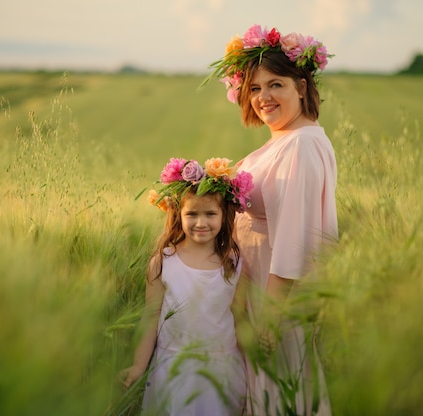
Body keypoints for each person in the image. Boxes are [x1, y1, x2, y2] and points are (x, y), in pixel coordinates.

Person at [202, 24, 338, 416]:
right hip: (256, 292)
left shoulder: (302, 144)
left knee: (279, 396)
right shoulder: (285, 138)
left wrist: (271, 319)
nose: (263, 97)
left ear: (301, 86)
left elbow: (297, 237)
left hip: (275, 297)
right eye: (255, 88)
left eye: (275, 84)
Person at [120, 157, 254, 415]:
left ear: (224, 215)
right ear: (178, 215)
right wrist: (138, 366)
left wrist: (256, 356)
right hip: (174, 369)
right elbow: (151, 317)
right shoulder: (164, 262)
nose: (201, 223)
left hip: (221, 369)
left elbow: (239, 316)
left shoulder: (234, 264)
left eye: (210, 214)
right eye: (191, 214)